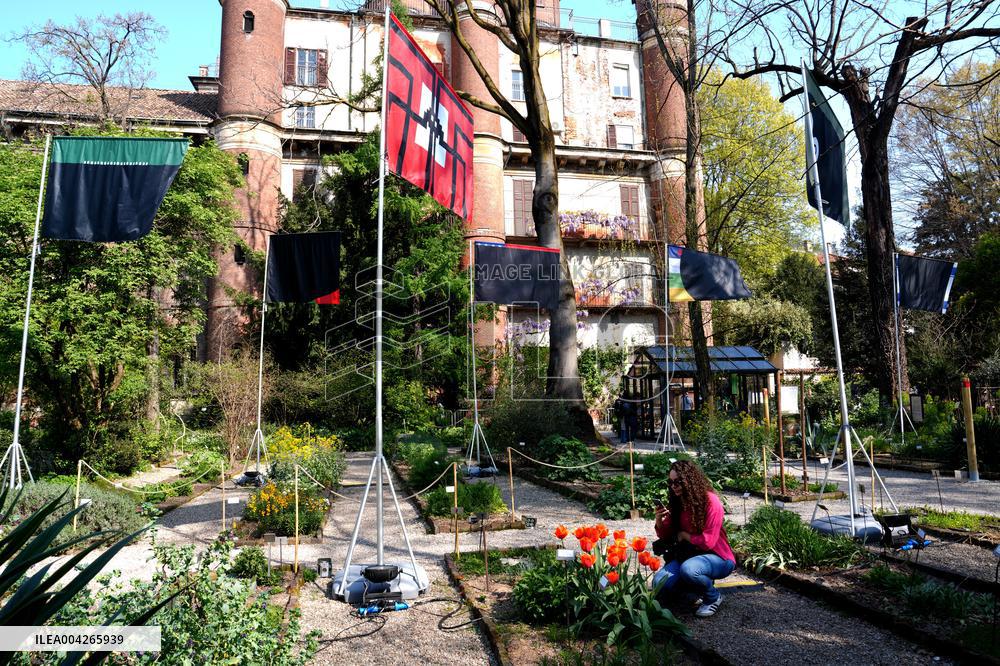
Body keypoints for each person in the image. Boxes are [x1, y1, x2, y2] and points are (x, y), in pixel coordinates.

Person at [652, 460, 736, 617]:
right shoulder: (679, 502)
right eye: (671, 482)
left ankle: (713, 597)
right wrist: (659, 520)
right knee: (659, 583)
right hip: (688, 555)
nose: (673, 486)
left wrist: (684, 535)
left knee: (690, 570)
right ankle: (693, 591)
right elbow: (664, 535)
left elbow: (708, 541)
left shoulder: (711, 501)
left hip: (718, 557)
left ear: (689, 480)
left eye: (678, 482)